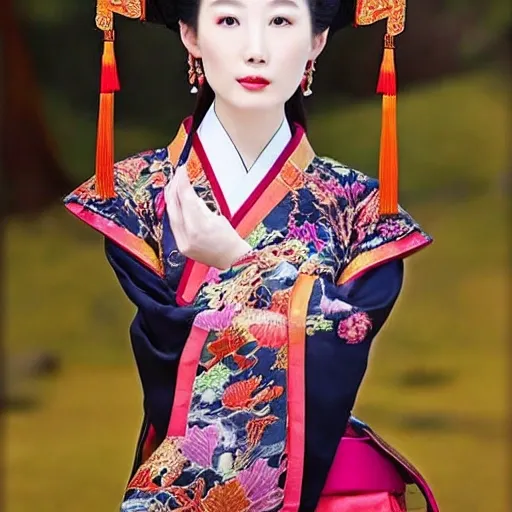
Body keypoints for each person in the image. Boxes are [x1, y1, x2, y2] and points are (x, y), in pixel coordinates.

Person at [64, 0, 440, 510]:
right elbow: (166, 362)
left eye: (281, 20)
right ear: (190, 35)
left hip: (342, 495)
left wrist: (238, 259)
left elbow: (350, 333)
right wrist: (288, 292)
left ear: (317, 41)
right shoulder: (138, 193)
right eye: (229, 19)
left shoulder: (361, 209)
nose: (256, 50)